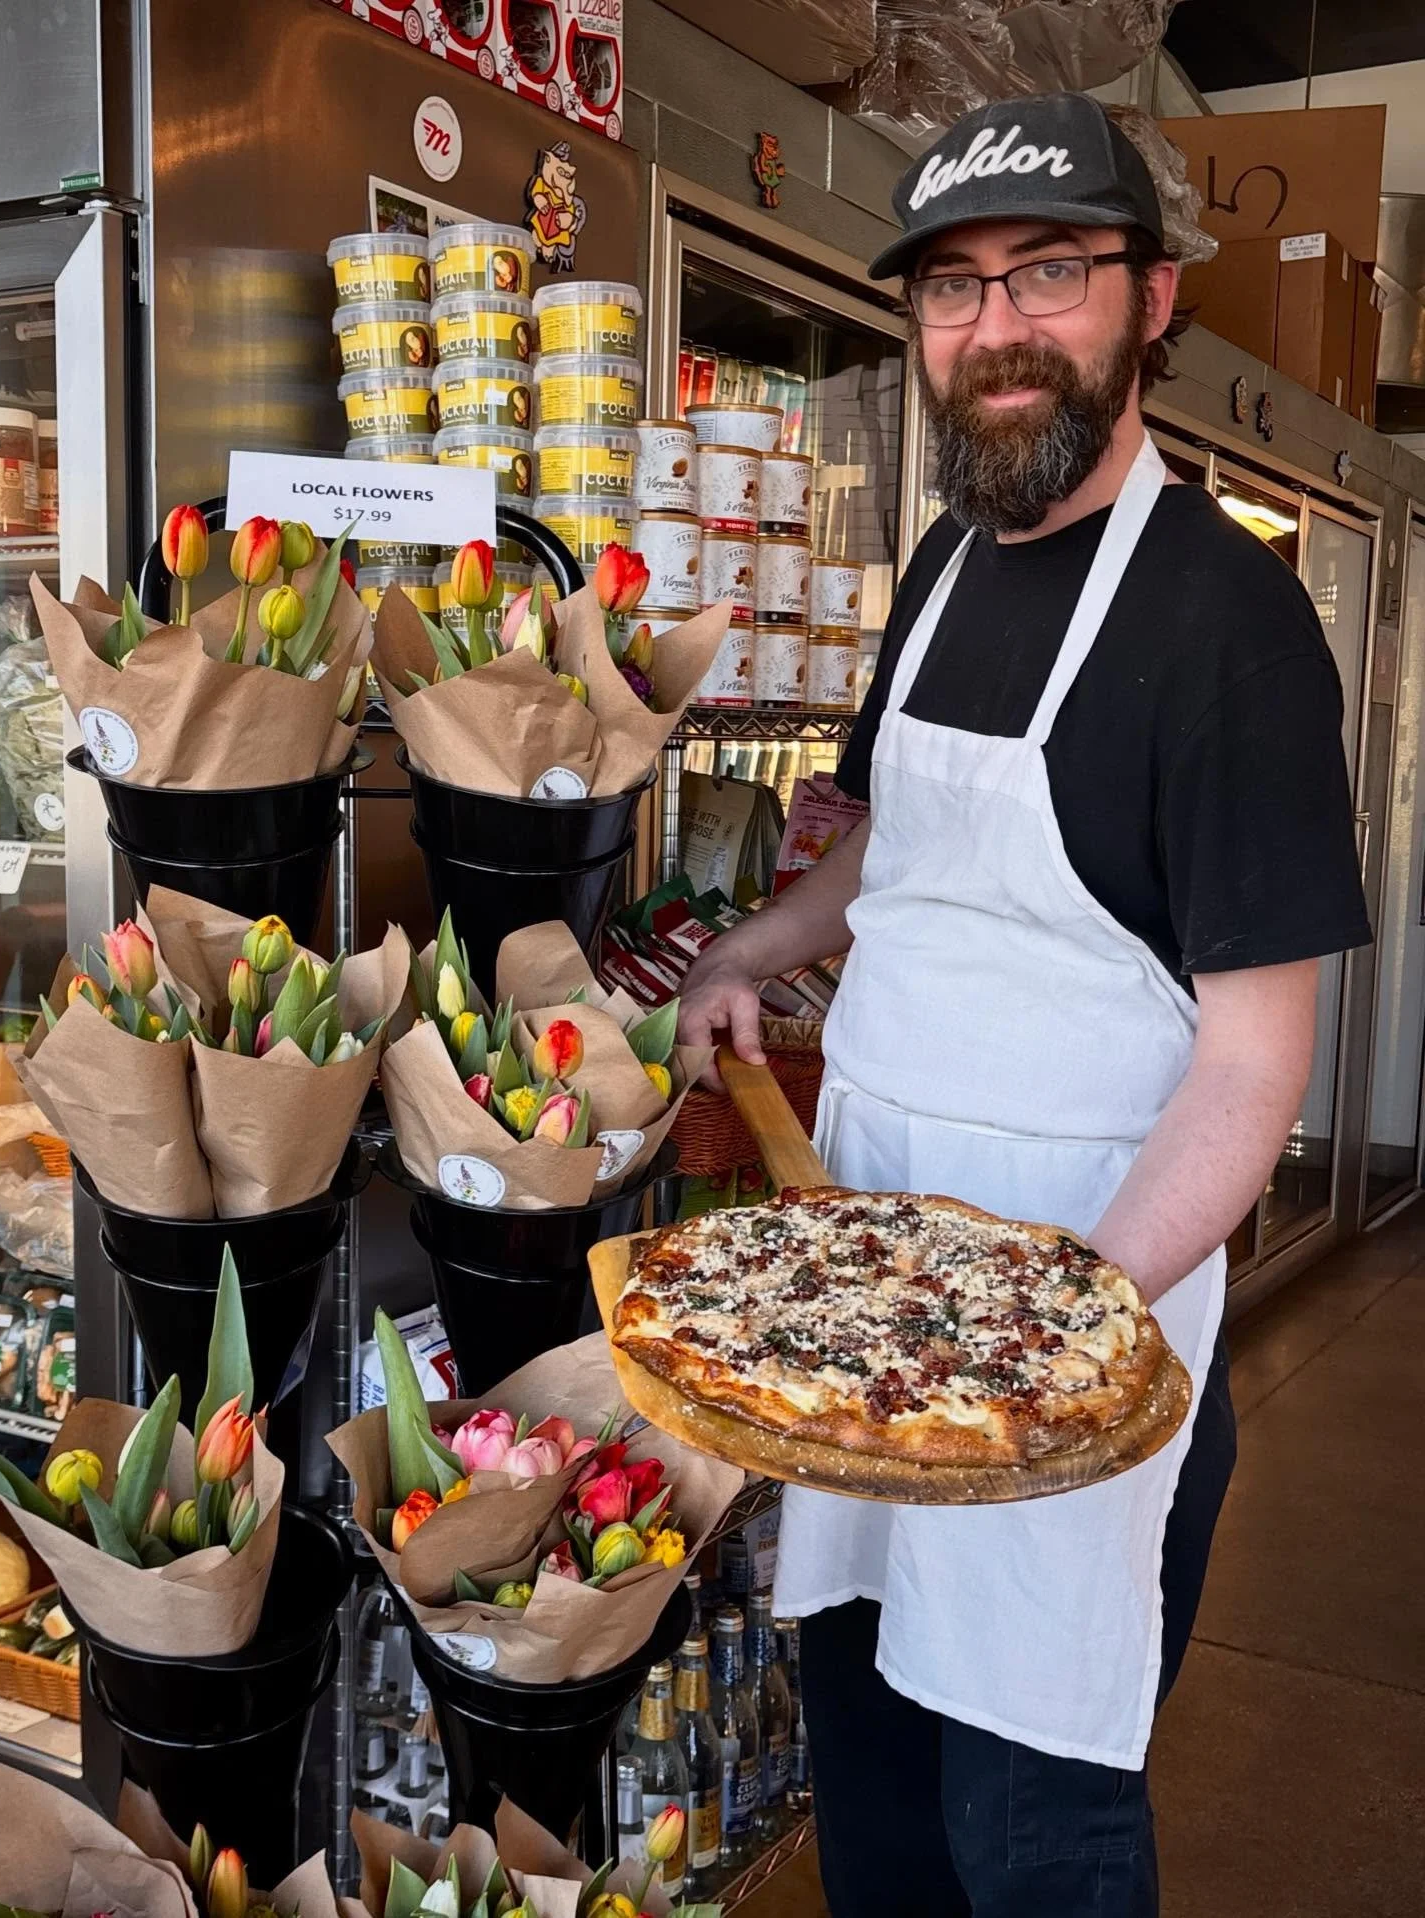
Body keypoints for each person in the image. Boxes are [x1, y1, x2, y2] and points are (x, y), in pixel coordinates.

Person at [678, 92, 1372, 1917]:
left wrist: (1053, 1330)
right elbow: (900, 849)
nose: (994, 328)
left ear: (1149, 301)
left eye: (1047, 272)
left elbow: (1255, 1058)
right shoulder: (939, 566)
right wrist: (759, 948)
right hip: (872, 1287)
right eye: (954, 288)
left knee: (1034, 1829)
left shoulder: (1232, 623)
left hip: (1077, 1341)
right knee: (877, 1784)